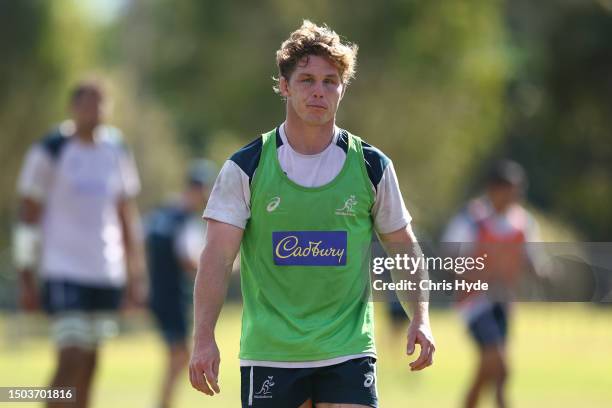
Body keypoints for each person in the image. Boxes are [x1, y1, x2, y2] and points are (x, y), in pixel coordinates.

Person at [189, 20, 435, 408]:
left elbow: (403, 246)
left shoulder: (372, 167)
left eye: (330, 81)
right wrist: (203, 338)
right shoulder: (246, 168)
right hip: (271, 353)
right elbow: (217, 258)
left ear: (342, 88)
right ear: (285, 86)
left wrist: (419, 317)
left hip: (349, 350)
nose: (319, 91)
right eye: (306, 80)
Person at [13, 80, 145, 408]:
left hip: (104, 271)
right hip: (63, 269)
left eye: (101, 104)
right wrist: (25, 274)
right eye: (88, 104)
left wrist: (135, 273)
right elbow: (28, 214)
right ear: (73, 108)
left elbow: (125, 213)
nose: (96, 111)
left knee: (89, 363)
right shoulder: (51, 149)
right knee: (69, 356)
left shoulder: (116, 148)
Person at [442, 159, 539, 408]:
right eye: (509, 190)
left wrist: (541, 269)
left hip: (503, 302)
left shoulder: (522, 221)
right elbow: (449, 257)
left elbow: (530, 257)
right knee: (499, 364)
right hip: (474, 303)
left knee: (489, 371)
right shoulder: (471, 219)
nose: (514, 196)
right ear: (493, 189)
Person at [146, 160, 217, 408]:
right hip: (173, 296)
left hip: (157, 293)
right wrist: (218, 267)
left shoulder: (163, 212)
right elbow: (188, 260)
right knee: (179, 358)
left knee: (177, 356)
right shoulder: (185, 219)